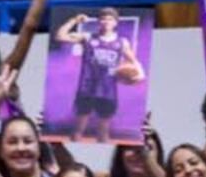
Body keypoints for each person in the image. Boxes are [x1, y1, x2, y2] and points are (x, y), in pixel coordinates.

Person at [54, 8, 144, 146]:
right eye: (103, 19)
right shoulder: (88, 37)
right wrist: (74, 20)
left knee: (103, 133)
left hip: (108, 90)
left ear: (115, 22)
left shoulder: (122, 42)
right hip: (87, 88)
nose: (106, 21)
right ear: (98, 22)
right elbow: (60, 36)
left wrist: (140, 74)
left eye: (110, 19)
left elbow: (134, 61)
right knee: (77, 131)